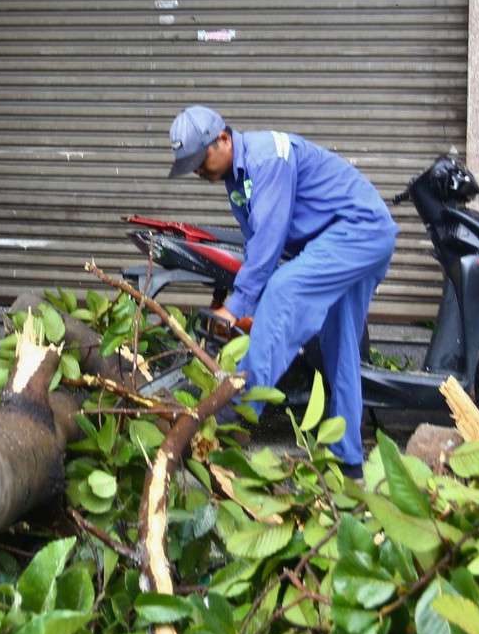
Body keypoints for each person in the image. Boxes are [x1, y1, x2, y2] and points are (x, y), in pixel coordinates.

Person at [167, 105, 398, 478]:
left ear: (223, 139)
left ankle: (235, 416)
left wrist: (236, 306)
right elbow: (256, 243)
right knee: (340, 349)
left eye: (199, 160)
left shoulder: (266, 158)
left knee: (283, 290)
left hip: (360, 230)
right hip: (352, 238)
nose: (197, 171)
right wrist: (247, 307)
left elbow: (269, 240)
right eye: (190, 165)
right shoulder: (236, 180)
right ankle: (350, 462)